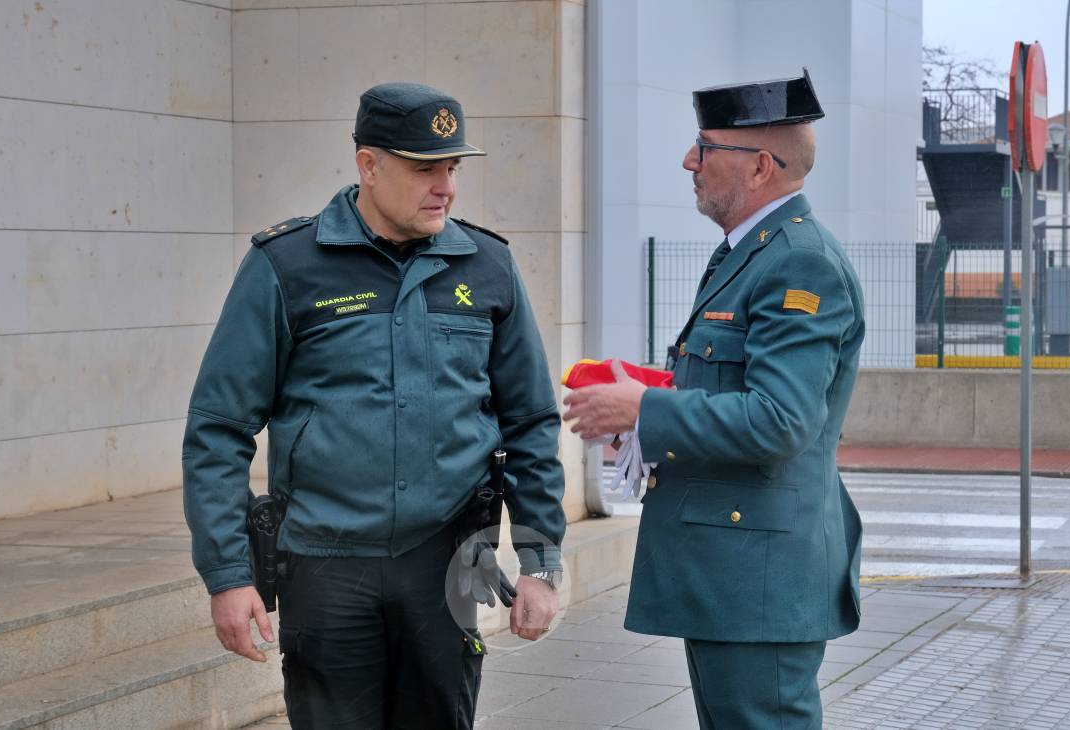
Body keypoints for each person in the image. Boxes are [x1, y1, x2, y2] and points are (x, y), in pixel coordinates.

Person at [182, 81, 566, 729]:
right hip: (324, 566)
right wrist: (227, 573)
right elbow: (218, 430)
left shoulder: (487, 265)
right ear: (369, 164)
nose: (445, 187)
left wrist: (541, 561)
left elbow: (529, 423)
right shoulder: (287, 265)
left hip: (446, 564)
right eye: (424, 169)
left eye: (453, 168)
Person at [562, 69, 864, 729]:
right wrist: (644, 394)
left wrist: (644, 411)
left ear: (759, 166)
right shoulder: (749, 253)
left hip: (759, 578)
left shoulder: (798, 262)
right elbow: (732, 387)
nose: (688, 160)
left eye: (705, 147)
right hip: (735, 574)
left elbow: (781, 421)